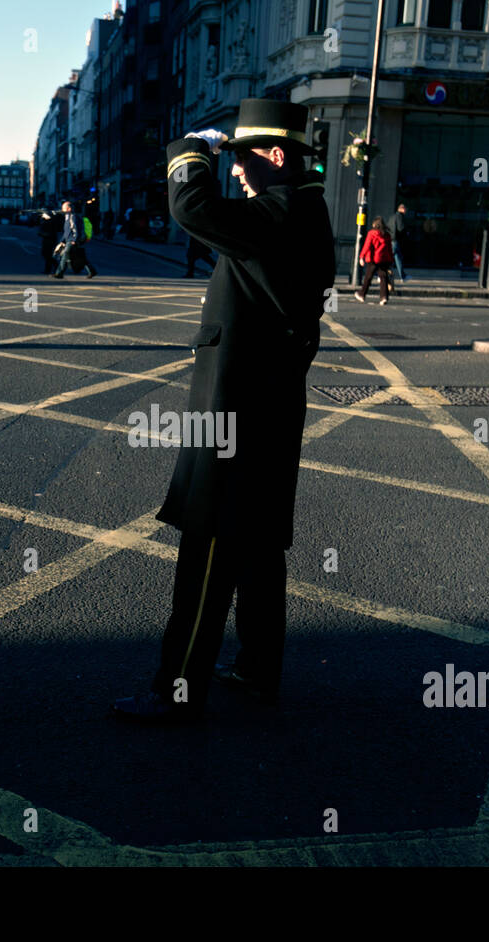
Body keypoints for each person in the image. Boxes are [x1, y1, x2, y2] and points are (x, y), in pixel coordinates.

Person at [111, 98, 334, 723]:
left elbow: (190, 207)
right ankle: (259, 668)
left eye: (242, 158)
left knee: (209, 545)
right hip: (266, 403)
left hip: (239, 409)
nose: (235, 169)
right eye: (227, 158)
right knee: (259, 545)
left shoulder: (283, 212)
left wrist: (190, 151)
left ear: (277, 157)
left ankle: (175, 691)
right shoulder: (297, 210)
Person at [52, 200, 97, 279]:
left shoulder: (73, 216)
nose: (62, 210)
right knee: (81, 257)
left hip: (72, 241)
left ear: (69, 209)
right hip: (69, 240)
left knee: (64, 256)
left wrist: (74, 240)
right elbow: (66, 231)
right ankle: (92, 271)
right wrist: (62, 241)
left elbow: (76, 229)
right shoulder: (67, 217)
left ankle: (59, 273)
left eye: (64, 208)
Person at [354, 217, 394, 305]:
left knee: (368, 277)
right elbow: (389, 249)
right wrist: (391, 260)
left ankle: (362, 294)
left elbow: (367, 246)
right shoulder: (387, 235)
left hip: (373, 259)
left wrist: (361, 257)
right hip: (383, 259)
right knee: (383, 278)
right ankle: (384, 297)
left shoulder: (372, 233)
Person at [384, 202, 410, 281]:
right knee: (390, 259)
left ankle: (403, 276)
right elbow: (401, 228)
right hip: (395, 240)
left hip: (391, 239)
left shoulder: (392, 217)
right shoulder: (400, 217)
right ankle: (381, 274)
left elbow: (387, 227)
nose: (406, 211)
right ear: (402, 209)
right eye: (405, 209)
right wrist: (406, 233)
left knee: (398, 258)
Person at [37, 208, 61, 274]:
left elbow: (45, 228)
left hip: (50, 239)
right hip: (47, 239)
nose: (42, 215)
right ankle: (50, 268)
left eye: (43, 214)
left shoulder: (51, 221)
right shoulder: (47, 220)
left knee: (48, 255)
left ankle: (54, 267)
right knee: (46, 254)